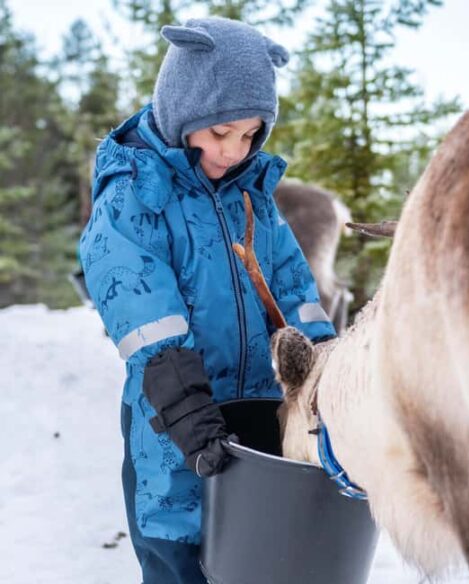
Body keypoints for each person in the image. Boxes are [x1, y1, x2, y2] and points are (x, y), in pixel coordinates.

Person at [78, 16, 335, 583]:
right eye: (220, 133)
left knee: (264, 561)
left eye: (249, 136)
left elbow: (297, 297)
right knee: (181, 556)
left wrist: (327, 375)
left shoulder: (254, 201)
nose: (234, 151)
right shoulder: (133, 195)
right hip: (177, 424)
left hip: (262, 427)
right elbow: (143, 315)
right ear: (181, 110)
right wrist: (187, 407)